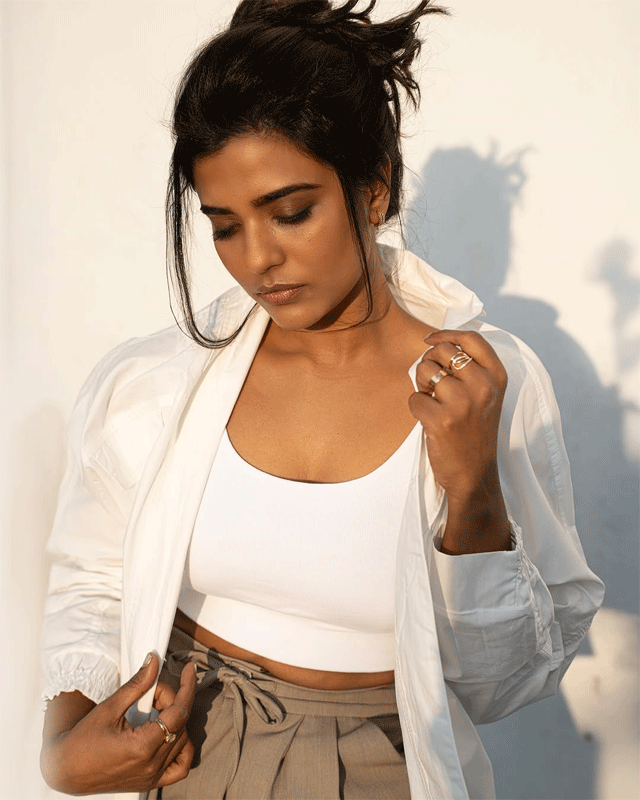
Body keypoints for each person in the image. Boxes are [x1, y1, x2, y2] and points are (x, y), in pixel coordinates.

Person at [39, 1, 604, 799]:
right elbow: (93, 575)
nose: (258, 259)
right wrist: (62, 745)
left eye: (290, 213)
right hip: (192, 758)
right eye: (225, 226)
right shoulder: (157, 383)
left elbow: (505, 683)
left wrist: (473, 489)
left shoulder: (485, 385)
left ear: (373, 192)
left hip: (389, 770)